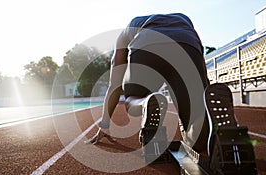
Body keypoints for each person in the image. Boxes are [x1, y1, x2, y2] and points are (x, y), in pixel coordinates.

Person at [85, 13, 210, 152]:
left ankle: (145, 103)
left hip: (147, 44)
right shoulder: (184, 18)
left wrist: (105, 124)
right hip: (187, 45)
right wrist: (207, 95)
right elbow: (201, 66)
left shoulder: (128, 29)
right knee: (198, 134)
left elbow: (115, 83)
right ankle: (208, 129)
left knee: (132, 100)